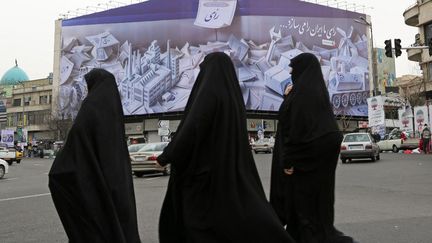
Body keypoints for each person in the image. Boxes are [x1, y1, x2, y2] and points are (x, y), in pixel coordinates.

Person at [156, 52, 294, 243]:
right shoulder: (232, 96)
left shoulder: (208, 93)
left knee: (197, 223)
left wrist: (167, 156)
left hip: (204, 175)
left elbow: (193, 127)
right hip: (227, 169)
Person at [270, 53, 357, 243]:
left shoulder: (300, 97)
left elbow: (294, 129)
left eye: (294, 70)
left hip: (301, 169)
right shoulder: (317, 93)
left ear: (302, 71)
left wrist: (289, 161)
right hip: (316, 168)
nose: (291, 74)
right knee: (316, 212)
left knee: (303, 215)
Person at [48, 69, 141, 243]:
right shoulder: (114, 111)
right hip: (118, 188)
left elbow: (67, 161)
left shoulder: (90, 108)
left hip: (94, 193)